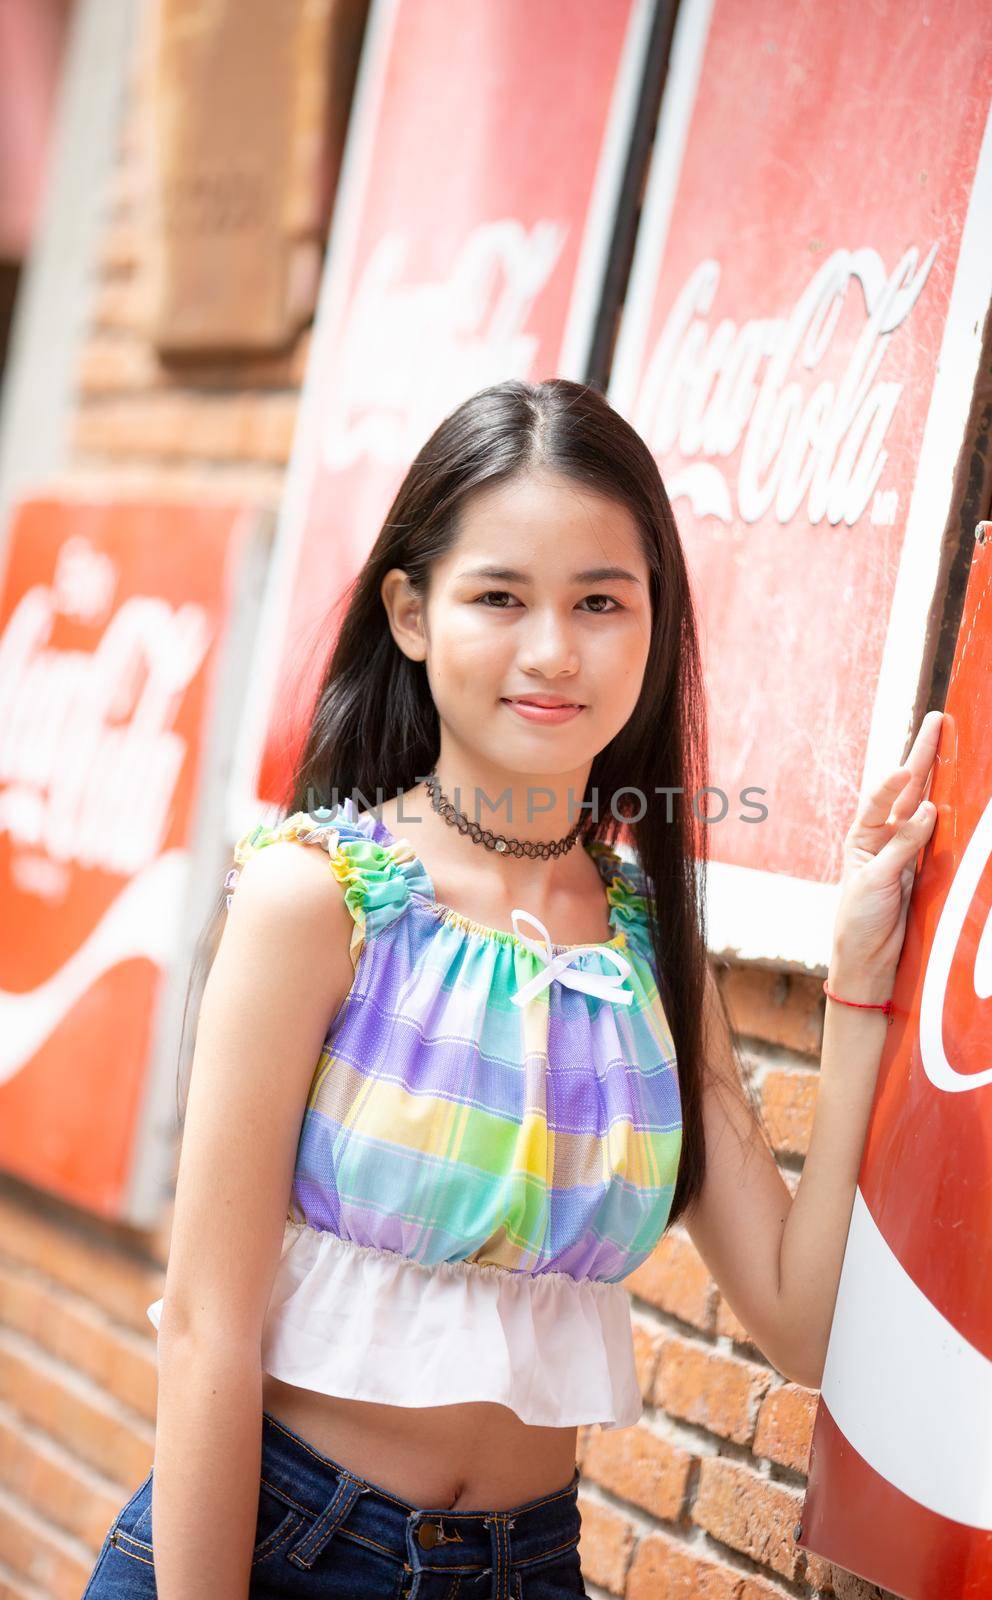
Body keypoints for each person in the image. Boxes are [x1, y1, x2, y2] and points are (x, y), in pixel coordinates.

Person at [82, 378, 941, 1599]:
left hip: (527, 1567)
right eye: (499, 597)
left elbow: (799, 1322)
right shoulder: (316, 898)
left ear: (655, 624)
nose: (553, 650)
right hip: (277, 1546)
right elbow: (206, 1333)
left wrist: (860, 989)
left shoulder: (642, 944)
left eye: (601, 601)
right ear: (411, 612)